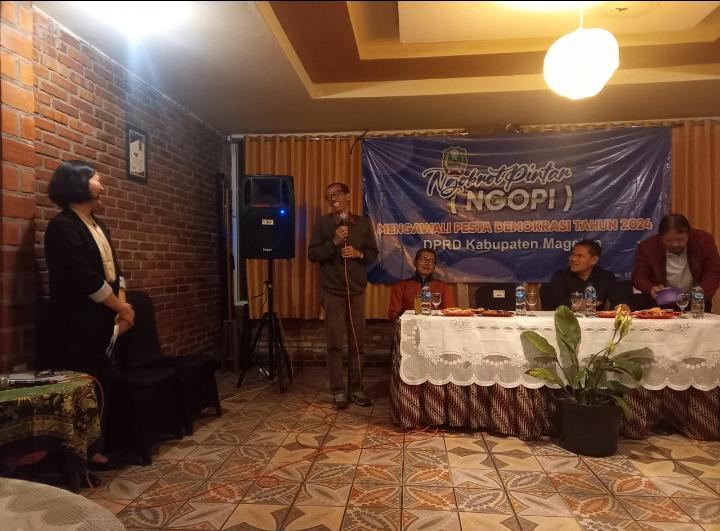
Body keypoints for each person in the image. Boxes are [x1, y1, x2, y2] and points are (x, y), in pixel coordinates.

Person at [44, 160, 135, 472]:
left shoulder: (98, 225)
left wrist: (122, 306)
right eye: (97, 178)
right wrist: (120, 308)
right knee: (82, 388)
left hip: (103, 321)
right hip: (76, 325)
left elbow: (116, 272)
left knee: (101, 385)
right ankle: (81, 457)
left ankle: (97, 449)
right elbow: (84, 277)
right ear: (77, 183)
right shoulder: (62, 226)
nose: (102, 185)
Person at [308, 182, 378, 410]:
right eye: (329, 195)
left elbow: (373, 254)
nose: (333, 197)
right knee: (335, 343)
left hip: (356, 291)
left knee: (357, 343)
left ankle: (356, 389)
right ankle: (338, 391)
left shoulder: (363, 224)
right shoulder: (323, 224)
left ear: (348, 196)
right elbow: (312, 254)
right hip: (332, 292)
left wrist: (359, 254)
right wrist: (334, 242)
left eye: (337, 193)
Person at [633, 213, 720, 310]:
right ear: (660, 237)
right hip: (662, 306)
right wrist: (650, 288)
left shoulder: (703, 241)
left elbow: (713, 272)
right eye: (669, 241)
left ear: (688, 234)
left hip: (696, 303)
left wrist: (700, 295)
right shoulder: (647, 247)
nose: (675, 244)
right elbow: (639, 277)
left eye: (680, 239)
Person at [542, 239, 629, 311]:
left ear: (594, 260)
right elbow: (557, 303)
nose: (573, 259)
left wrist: (621, 307)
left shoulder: (606, 276)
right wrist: (579, 305)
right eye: (572, 254)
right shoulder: (560, 275)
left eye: (580, 256)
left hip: (595, 322)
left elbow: (619, 301)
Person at [387, 248, 457, 319]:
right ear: (415, 262)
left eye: (431, 261)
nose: (427, 263)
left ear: (434, 266)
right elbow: (393, 313)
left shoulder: (443, 287)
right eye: (423, 259)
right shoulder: (401, 286)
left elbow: (450, 312)